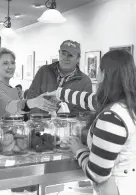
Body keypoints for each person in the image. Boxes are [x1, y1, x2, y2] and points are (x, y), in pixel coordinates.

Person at [45, 50, 136, 195]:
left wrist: (79, 150)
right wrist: (58, 93)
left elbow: (97, 174)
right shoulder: (128, 105)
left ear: (104, 74)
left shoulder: (112, 118)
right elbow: (90, 100)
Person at [0, 47, 57, 134]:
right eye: (5, 63)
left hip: (11, 137)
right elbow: (10, 107)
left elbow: (18, 113)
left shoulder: (8, 88)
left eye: (12, 63)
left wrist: (41, 101)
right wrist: (34, 102)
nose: (10, 66)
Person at [27, 40, 92, 115]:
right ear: (59, 53)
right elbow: (30, 97)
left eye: (70, 55)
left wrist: (62, 112)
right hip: (38, 123)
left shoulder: (85, 81)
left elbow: (83, 113)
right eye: (63, 54)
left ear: (78, 58)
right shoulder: (44, 71)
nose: (65, 58)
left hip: (66, 125)